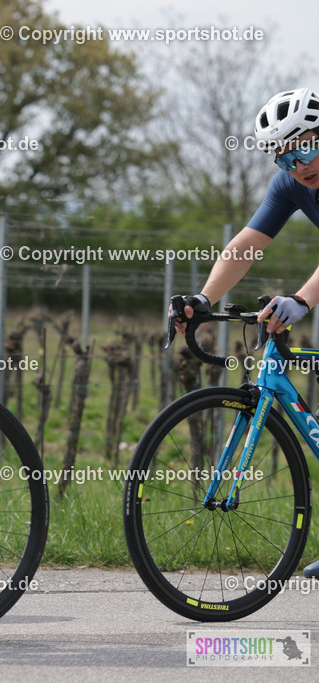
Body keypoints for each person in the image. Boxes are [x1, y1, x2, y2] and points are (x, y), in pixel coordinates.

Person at [172, 86, 319, 576]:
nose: (299, 164)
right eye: (285, 157)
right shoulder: (293, 185)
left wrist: (300, 299)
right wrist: (202, 299)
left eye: (307, 146)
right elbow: (245, 246)